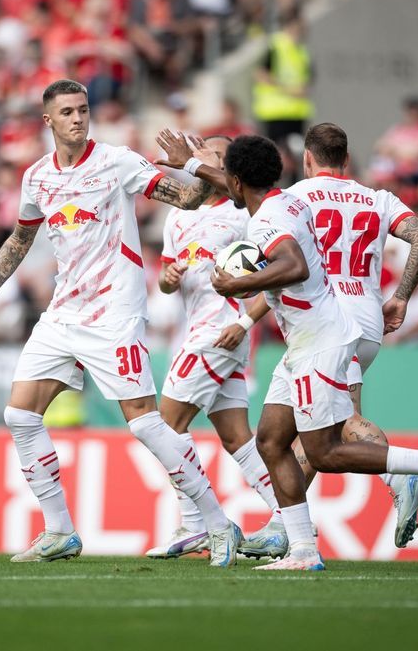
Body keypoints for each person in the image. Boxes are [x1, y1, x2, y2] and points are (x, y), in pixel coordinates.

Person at [0, 80, 241, 565]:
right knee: (20, 415)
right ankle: (59, 531)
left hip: (115, 313)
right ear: (48, 120)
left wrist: (191, 168)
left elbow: (188, 199)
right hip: (63, 311)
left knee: (145, 424)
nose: (77, 118)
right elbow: (20, 238)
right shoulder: (36, 178)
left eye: (83, 109)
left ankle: (218, 524)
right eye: (67, 111)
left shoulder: (117, 161)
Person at [206, 133, 418, 571]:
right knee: (272, 441)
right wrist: (401, 296)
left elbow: (295, 265)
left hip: (321, 337)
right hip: (341, 323)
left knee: (324, 451)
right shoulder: (318, 200)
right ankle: (301, 548)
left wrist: (235, 285)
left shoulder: (286, 205)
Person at [145, 135, 287, 561]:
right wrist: (168, 281)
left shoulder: (245, 216)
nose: (205, 158)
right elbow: (171, 280)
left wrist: (245, 322)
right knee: (237, 438)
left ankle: (198, 524)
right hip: (197, 332)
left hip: (222, 333)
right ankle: (291, 518)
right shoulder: (178, 219)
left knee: (164, 425)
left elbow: (279, 277)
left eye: (216, 156)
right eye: (206, 152)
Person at [252, 7, 313, 146]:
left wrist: (300, 90)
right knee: (276, 152)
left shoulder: (303, 51)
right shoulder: (275, 45)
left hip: (297, 113)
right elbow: (260, 74)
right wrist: (288, 89)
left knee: (296, 152)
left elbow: (307, 82)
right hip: (274, 112)